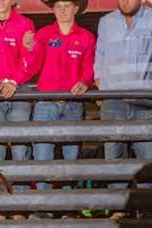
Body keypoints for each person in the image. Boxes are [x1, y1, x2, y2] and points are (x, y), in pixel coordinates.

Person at [95, 0, 152, 189]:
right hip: (113, 100)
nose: (125, 1)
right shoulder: (106, 22)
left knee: (145, 156)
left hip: (145, 99)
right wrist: (100, 81)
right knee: (113, 157)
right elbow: (100, 55)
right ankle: (119, 208)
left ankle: (145, 207)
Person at [31, 0, 94, 190]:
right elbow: (33, 65)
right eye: (58, 6)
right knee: (42, 155)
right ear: (53, 10)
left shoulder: (86, 37)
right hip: (45, 103)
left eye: (67, 6)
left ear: (76, 9)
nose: (62, 10)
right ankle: (43, 207)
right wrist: (28, 48)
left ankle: (68, 207)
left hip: (73, 104)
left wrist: (85, 82)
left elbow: (89, 68)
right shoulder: (43, 35)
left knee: (71, 158)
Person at [0, 0, 36, 190]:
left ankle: (22, 202)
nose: (1, 1)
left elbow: (29, 57)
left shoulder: (25, 24)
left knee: (20, 147)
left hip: (20, 92)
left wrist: (14, 81)